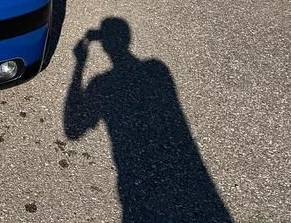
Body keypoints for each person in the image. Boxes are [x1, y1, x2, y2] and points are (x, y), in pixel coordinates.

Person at [64, 17, 232, 223]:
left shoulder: (102, 83)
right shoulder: (157, 69)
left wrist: (79, 64)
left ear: (105, 46)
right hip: (189, 175)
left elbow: (72, 130)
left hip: (134, 182)